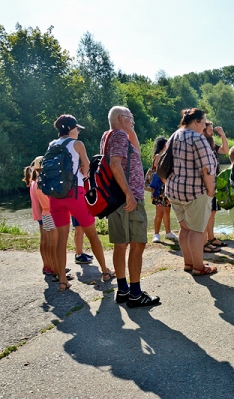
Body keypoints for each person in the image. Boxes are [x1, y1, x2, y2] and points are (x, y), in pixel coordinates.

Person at [48, 115, 114, 292]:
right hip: (75, 193)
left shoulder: (52, 145)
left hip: (55, 196)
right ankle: (105, 271)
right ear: (70, 128)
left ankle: (63, 280)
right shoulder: (77, 144)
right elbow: (86, 167)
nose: (78, 131)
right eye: (77, 128)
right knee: (92, 234)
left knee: (61, 239)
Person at [101, 107, 159, 307]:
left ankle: (123, 289)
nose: (133, 121)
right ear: (120, 118)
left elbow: (133, 147)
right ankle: (135, 294)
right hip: (128, 200)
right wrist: (129, 194)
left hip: (115, 200)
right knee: (138, 243)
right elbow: (115, 164)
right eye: (131, 117)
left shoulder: (109, 135)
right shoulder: (118, 135)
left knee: (120, 244)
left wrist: (129, 126)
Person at [165, 108, 218, 277]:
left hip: (174, 190)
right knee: (197, 230)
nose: (204, 127)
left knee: (185, 228)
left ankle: (188, 263)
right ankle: (198, 267)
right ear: (196, 122)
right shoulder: (198, 138)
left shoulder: (175, 135)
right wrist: (211, 191)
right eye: (203, 123)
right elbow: (207, 168)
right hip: (194, 191)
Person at [201, 120, 229, 252]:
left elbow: (225, 150)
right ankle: (205, 241)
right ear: (204, 130)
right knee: (206, 213)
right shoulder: (202, 144)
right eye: (210, 129)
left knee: (212, 212)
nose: (212, 131)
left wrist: (223, 135)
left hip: (214, 182)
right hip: (205, 184)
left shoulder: (211, 143)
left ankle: (211, 238)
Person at [150, 136, 178, 244]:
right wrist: (167, 183)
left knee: (167, 210)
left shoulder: (167, 155)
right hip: (159, 188)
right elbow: (158, 171)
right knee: (159, 211)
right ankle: (156, 234)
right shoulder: (158, 156)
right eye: (167, 144)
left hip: (166, 186)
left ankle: (168, 232)